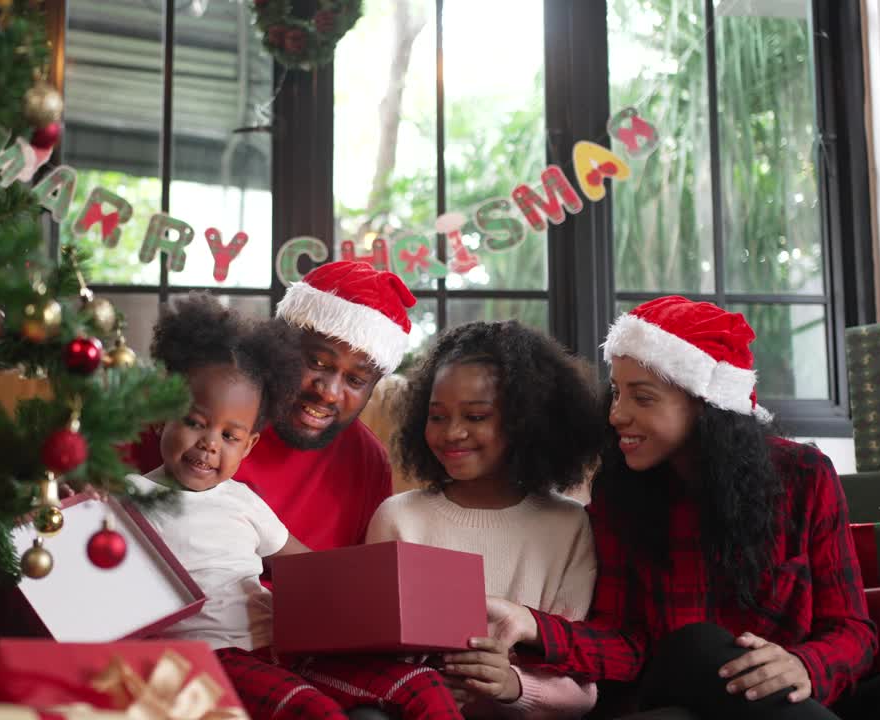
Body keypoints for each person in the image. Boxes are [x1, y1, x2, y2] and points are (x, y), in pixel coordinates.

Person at [483, 296, 880, 719]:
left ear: (707, 404)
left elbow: (853, 631)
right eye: (616, 392)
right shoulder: (618, 497)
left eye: (642, 398)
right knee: (698, 644)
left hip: (796, 704)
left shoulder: (805, 476)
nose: (616, 415)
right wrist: (533, 625)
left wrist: (805, 666)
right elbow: (623, 643)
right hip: (673, 701)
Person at [130, 293, 462, 720]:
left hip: (285, 641)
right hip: (211, 657)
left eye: (230, 437)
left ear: (246, 443)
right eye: (195, 423)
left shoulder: (244, 500)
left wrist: (413, 625)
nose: (210, 444)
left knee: (423, 689)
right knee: (310, 708)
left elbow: (311, 572)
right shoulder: (126, 494)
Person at [368, 320, 601, 719]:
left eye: (476, 417)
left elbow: (581, 688)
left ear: (525, 422)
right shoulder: (398, 517)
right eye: (437, 416)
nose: (452, 432)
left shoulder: (568, 526)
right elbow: (368, 655)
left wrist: (513, 685)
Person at [128, 260, 418, 550]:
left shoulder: (369, 462)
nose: (328, 393)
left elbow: (357, 576)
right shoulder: (197, 410)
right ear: (281, 344)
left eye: (355, 380)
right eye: (316, 362)